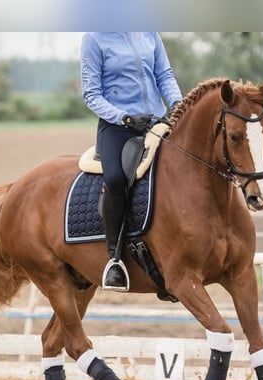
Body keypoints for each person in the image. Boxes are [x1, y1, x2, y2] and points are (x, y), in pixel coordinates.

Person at [81, 32, 183, 291]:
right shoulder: (94, 38)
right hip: (118, 127)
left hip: (156, 121)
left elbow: (164, 76)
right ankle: (114, 260)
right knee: (115, 179)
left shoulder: (149, 32)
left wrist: (179, 105)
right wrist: (124, 117)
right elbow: (92, 95)